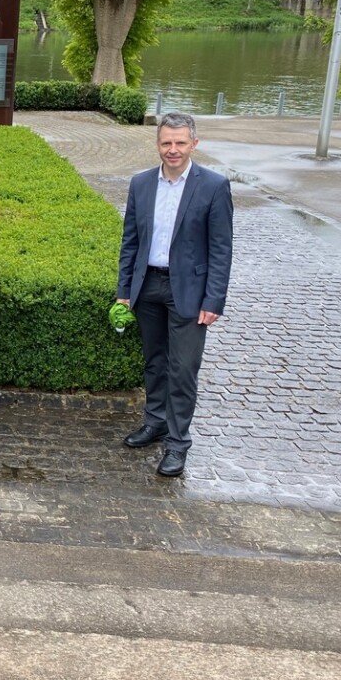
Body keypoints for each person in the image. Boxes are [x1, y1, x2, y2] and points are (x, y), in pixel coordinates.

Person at [117, 111, 233, 477]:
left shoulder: (213, 186)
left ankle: (178, 443)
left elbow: (221, 249)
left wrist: (213, 300)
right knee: (155, 362)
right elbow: (130, 242)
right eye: (166, 142)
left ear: (193, 144)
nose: (173, 149)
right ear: (157, 144)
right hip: (148, 285)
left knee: (183, 369)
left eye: (180, 142)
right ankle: (155, 422)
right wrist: (124, 291)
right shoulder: (141, 184)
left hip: (190, 291)